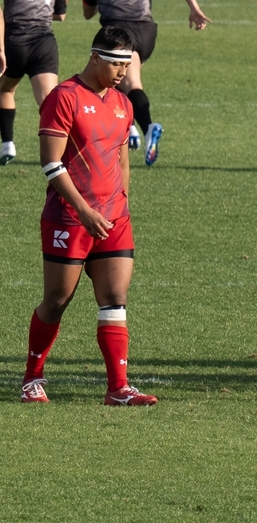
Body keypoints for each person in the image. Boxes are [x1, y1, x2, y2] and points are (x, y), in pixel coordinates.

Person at [20, 26, 157, 405]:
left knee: (115, 297)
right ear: (95, 58)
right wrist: (83, 210)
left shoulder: (122, 103)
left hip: (114, 219)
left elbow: (121, 159)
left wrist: (121, 203)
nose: (122, 73)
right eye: (115, 64)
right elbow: (51, 164)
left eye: (126, 65)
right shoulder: (64, 97)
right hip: (69, 218)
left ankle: (118, 388)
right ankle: (32, 377)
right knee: (56, 300)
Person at [83, 0, 211, 165]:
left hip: (117, 30)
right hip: (146, 32)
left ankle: (146, 127)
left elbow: (87, 12)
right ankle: (128, 127)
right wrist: (194, 8)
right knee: (120, 80)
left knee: (119, 81)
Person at [0, 0, 67, 165]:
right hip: (45, 42)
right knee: (49, 102)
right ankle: (65, 151)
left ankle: (8, 144)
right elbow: (61, 14)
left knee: (5, 89)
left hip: (15, 40)